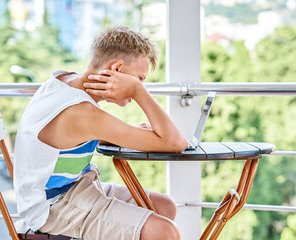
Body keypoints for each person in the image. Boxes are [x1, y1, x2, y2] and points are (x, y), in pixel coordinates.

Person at [13, 25, 187, 240]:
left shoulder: (65, 81)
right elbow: (177, 143)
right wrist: (137, 91)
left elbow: (69, 137)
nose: (141, 85)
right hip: (51, 207)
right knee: (164, 231)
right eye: (139, 79)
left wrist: (128, 132)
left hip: (75, 188)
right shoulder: (82, 112)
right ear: (116, 69)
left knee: (164, 206)